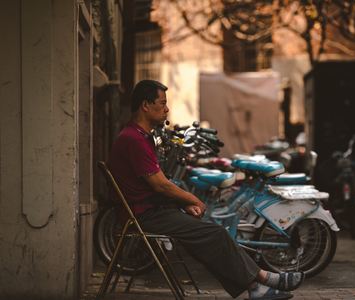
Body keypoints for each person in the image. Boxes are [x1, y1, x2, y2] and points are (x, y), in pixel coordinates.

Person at [108, 80, 304, 300]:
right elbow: (159, 184)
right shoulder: (133, 139)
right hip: (144, 214)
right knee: (215, 233)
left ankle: (259, 284)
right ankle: (261, 282)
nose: (166, 109)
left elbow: (157, 185)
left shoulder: (140, 136)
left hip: (154, 209)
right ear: (145, 105)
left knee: (209, 234)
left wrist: (184, 203)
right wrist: (192, 199)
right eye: (162, 103)